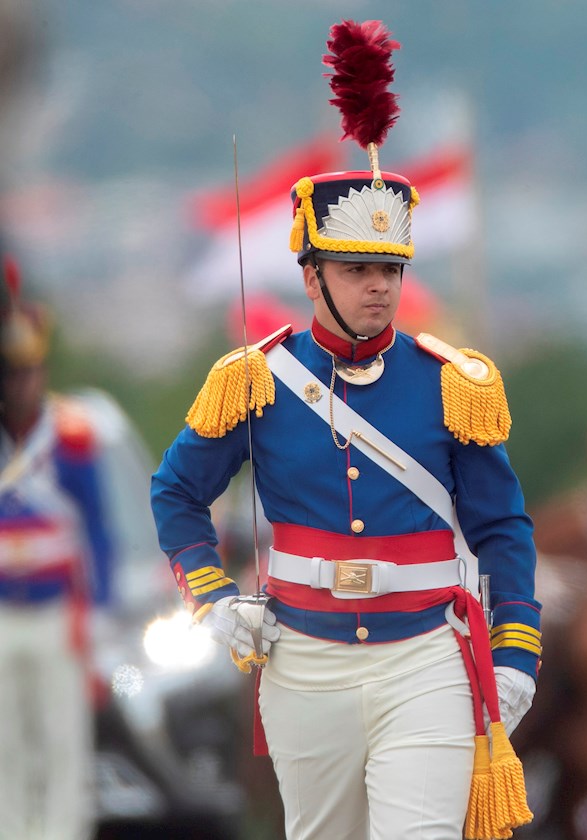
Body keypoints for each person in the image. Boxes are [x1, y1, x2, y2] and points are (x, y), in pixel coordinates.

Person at [150, 20, 539, 840]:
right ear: (311, 275)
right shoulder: (255, 378)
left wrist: (515, 650)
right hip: (305, 661)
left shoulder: (454, 384)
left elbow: (502, 527)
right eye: (357, 270)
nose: (378, 288)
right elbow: (177, 492)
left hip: (428, 657)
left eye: (389, 270)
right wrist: (210, 595)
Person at [0, 263, 114, 840]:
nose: (18, 385)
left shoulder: (69, 435)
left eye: (27, 372)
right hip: (2, 612)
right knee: (7, 744)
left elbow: (98, 530)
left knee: (62, 739)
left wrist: (99, 612)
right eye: (10, 373)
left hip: (54, 611)